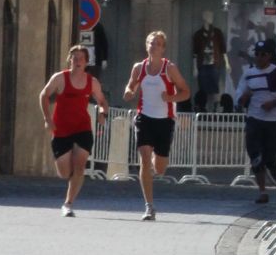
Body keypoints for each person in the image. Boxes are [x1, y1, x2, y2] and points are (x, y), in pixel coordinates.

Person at [125, 30, 189, 221]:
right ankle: (149, 206)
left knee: (160, 168)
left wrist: (170, 98)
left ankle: (156, 161)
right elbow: (131, 86)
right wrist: (129, 92)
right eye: (151, 43)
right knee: (144, 159)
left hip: (164, 120)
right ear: (147, 46)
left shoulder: (170, 69)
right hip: (144, 118)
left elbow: (185, 92)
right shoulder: (139, 68)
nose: (154, 46)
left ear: (163, 49)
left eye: (158, 44)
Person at [39, 43, 108, 216]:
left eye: (81, 59)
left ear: (86, 62)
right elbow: (44, 95)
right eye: (74, 58)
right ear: (69, 60)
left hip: (82, 128)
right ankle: (71, 177)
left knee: (79, 167)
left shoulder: (92, 82)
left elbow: (102, 101)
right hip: (61, 129)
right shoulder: (60, 78)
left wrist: (102, 113)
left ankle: (68, 204)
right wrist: (47, 118)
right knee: (64, 173)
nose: (77, 61)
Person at [234, 37, 276, 205]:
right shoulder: (248, 74)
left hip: (273, 120)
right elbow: (240, 94)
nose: (259, 57)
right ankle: (262, 191)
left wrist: (274, 103)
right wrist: (243, 98)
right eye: (257, 54)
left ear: (269, 55)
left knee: (271, 155)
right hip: (254, 118)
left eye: (263, 54)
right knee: (255, 155)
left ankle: (275, 171)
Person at [191, 12, 228, 114]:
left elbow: (223, 50)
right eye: (208, 16)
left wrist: (227, 63)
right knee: (203, 89)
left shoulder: (217, 33)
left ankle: (216, 109)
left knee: (215, 88)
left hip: (214, 65)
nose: (211, 18)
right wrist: (194, 68)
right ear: (203, 17)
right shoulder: (198, 34)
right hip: (202, 66)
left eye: (212, 16)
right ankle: (204, 109)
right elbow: (195, 53)